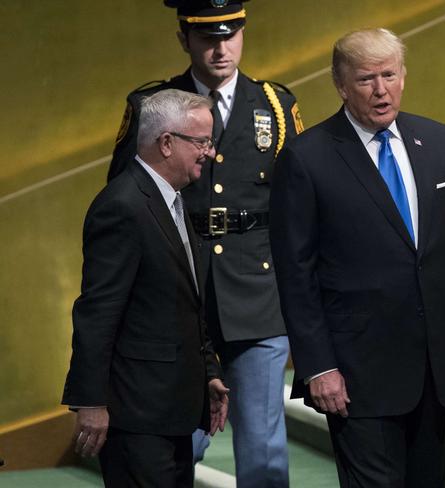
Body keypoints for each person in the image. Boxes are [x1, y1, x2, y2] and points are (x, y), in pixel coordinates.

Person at [270, 28, 445, 487]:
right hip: (357, 373)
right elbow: (296, 275)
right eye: (366, 79)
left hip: (434, 367)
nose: (381, 90)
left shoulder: (437, 140)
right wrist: (318, 365)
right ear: (340, 85)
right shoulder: (307, 158)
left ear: (403, 76)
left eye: (389, 74)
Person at [106, 1, 303, 485]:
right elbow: (123, 201)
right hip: (176, 297)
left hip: (256, 295)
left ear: (243, 33)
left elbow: (299, 206)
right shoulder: (151, 107)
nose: (220, 47)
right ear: (183, 39)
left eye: (230, 33)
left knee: (262, 453)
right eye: (207, 37)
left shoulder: (274, 105)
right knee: (176, 447)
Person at [62, 88, 229, 488]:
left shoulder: (171, 201)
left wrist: (208, 373)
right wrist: (91, 401)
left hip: (172, 407)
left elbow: (186, 303)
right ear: (167, 143)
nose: (210, 152)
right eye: (202, 142)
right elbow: (97, 312)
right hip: (136, 414)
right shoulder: (122, 206)